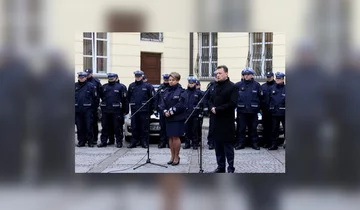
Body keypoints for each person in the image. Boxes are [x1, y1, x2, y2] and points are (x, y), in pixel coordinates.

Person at [209, 65, 238, 173]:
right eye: (217, 73)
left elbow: (232, 103)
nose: (218, 75)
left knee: (228, 147)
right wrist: (211, 107)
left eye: (220, 73)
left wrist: (218, 109)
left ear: (226, 74)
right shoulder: (214, 86)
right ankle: (220, 167)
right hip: (216, 121)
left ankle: (230, 167)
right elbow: (209, 99)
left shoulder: (232, 87)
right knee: (218, 147)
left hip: (226, 121)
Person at [159, 72, 188, 166]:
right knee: (170, 137)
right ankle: (172, 156)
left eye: (173, 80)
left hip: (177, 118)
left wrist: (171, 112)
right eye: (170, 80)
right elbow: (162, 103)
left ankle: (177, 156)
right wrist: (164, 111)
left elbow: (181, 105)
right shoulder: (166, 91)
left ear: (177, 80)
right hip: (168, 118)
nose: (171, 82)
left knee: (175, 137)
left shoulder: (182, 91)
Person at [97, 73, 128, 148]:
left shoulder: (121, 87)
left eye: (112, 77)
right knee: (105, 127)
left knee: (117, 127)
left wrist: (125, 111)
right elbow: (101, 96)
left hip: (116, 111)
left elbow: (125, 100)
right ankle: (104, 141)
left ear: (116, 78)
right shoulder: (104, 86)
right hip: (105, 110)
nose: (111, 78)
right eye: (109, 77)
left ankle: (119, 142)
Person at [234, 67, 262, 150]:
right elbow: (234, 97)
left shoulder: (256, 85)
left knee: (253, 128)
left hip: (253, 111)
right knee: (241, 128)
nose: (246, 76)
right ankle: (240, 143)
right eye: (244, 74)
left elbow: (261, 98)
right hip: (242, 111)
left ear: (252, 75)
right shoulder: (238, 85)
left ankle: (254, 143)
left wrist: (258, 108)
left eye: (248, 74)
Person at [127, 70, 155, 148]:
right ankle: (134, 142)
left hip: (144, 110)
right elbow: (128, 98)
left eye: (139, 76)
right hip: (134, 110)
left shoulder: (148, 86)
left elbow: (152, 98)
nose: (138, 78)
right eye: (136, 76)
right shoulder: (131, 86)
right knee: (134, 127)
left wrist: (152, 110)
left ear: (142, 76)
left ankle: (144, 142)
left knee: (144, 127)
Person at [75, 72, 98, 147]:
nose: (81, 79)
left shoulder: (90, 86)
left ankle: (90, 141)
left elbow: (95, 99)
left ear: (86, 78)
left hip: (88, 110)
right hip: (77, 110)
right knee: (79, 127)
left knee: (89, 126)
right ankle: (81, 141)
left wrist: (93, 109)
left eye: (83, 77)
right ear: (78, 78)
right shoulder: (74, 85)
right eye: (80, 77)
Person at [84, 68, 102, 146]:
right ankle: (85, 138)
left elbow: (100, 93)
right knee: (85, 123)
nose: (87, 76)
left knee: (94, 123)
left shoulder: (96, 82)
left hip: (94, 106)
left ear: (91, 74)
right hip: (85, 106)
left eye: (88, 74)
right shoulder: (83, 81)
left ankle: (94, 138)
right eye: (86, 74)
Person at [184, 77, 203, 150]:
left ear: (195, 83)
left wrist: (201, 112)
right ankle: (187, 143)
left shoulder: (198, 93)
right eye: (190, 83)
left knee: (195, 130)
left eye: (192, 83)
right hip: (187, 114)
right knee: (187, 130)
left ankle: (195, 144)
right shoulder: (185, 92)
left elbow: (201, 104)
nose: (191, 85)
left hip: (195, 115)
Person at [268, 72, 286, 150]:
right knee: (274, 129)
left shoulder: (287, 88)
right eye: (277, 78)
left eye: (279, 79)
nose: (277, 80)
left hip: (284, 113)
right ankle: (274, 145)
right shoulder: (272, 88)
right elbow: (269, 100)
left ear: (283, 79)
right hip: (274, 112)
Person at [260, 71, 276, 148]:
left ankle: (273, 143)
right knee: (265, 127)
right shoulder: (263, 86)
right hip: (265, 110)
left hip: (274, 111)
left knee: (273, 128)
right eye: (267, 77)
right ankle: (266, 142)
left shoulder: (276, 86)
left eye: (270, 77)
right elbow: (260, 98)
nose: (268, 78)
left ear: (273, 77)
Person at [204, 71, 218, 150]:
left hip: (222, 110)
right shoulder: (211, 86)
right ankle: (211, 143)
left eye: (218, 75)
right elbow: (207, 99)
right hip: (213, 110)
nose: (217, 77)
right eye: (216, 75)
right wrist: (210, 108)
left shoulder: (226, 85)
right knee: (212, 128)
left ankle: (219, 143)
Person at [156, 74, 170, 148]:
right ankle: (162, 142)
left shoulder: (171, 88)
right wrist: (155, 109)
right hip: (162, 110)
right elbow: (157, 99)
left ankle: (169, 142)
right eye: (165, 80)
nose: (166, 81)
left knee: (169, 127)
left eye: (167, 80)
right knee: (162, 127)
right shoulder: (161, 88)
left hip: (169, 111)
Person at [195, 80, 205, 147]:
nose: (196, 86)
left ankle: (198, 141)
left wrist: (202, 112)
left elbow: (203, 103)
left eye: (197, 85)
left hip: (199, 113)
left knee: (198, 128)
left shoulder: (201, 93)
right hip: (192, 113)